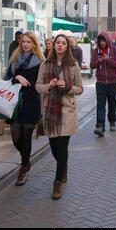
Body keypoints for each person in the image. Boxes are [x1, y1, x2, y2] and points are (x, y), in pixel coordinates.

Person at [36, 34, 83, 200]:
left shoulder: (73, 65)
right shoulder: (45, 64)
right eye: (58, 43)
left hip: (67, 110)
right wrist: (48, 86)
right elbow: (37, 86)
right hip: (50, 110)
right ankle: (63, 166)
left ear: (67, 47)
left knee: (62, 146)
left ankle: (57, 183)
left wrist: (68, 86)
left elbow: (80, 88)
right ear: (54, 46)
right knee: (54, 147)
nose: (60, 46)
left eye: (63, 43)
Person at [4, 32, 44, 186]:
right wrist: (17, 78)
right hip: (14, 102)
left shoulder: (40, 62)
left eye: (29, 42)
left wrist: (28, 82)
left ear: (34, 44)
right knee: (16, 139)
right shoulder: (15, 59)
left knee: (26, 137)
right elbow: (7, 79)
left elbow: (41, 84)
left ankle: (22, 168)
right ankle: (26, 161)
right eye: (23, 42)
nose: (25, 44)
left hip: (31, 102)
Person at [90, 32, 116, 136]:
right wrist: (98, 61)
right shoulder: (96, 51)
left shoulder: (115, 50)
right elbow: (92, 65)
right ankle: (100, 126)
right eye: (100, 41)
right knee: (100, 104)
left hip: (112, 82)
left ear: (107, 40)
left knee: (112, 103)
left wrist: (108, 59)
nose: (102, 43)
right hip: (100, 82)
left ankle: (112, 121)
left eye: (104, 41)